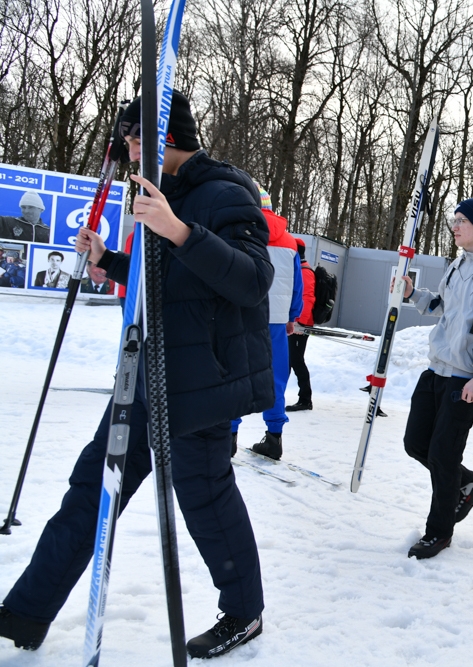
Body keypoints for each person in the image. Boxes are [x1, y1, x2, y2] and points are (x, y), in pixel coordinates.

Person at [0, 91, 274, 659]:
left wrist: (179, 230)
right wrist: (109, 261)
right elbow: (168, 277)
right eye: (125, 138)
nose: (127, 149)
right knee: (92, 490)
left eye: (134, 137)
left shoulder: (226, 193)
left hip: (200, 383)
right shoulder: (159, 193)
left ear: (166, 137)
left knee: (205, 502)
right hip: (146, 372)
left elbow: (251, 280)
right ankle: (25, 612)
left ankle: (245, 612)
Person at [398, 198, 473, 560]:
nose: (455, 226)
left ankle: (438, 532)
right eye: (455, 220)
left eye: (462, 220)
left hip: (464, 378)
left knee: (443, 454)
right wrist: (413, 295)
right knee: (415, 442)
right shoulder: (456, 266)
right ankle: (467, 483)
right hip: (436, 369)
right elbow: (443, 307)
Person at [231, 188, 302, 460]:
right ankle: (274, 437)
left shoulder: (240, 232)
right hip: (276, 319)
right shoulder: (290, 242)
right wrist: (291, 316)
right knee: (276, 378)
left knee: (235, 373)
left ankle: (228, 436)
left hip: (243, 314)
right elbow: (296, 285)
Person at [287, 238, 315, 412]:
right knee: (288, 360)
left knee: (296, 360)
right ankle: (276, 395)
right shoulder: (299, 269)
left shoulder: (305, 271)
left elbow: (308, 298)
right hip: (294, 323)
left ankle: (305, 399)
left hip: (300, 326)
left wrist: (299, 322)